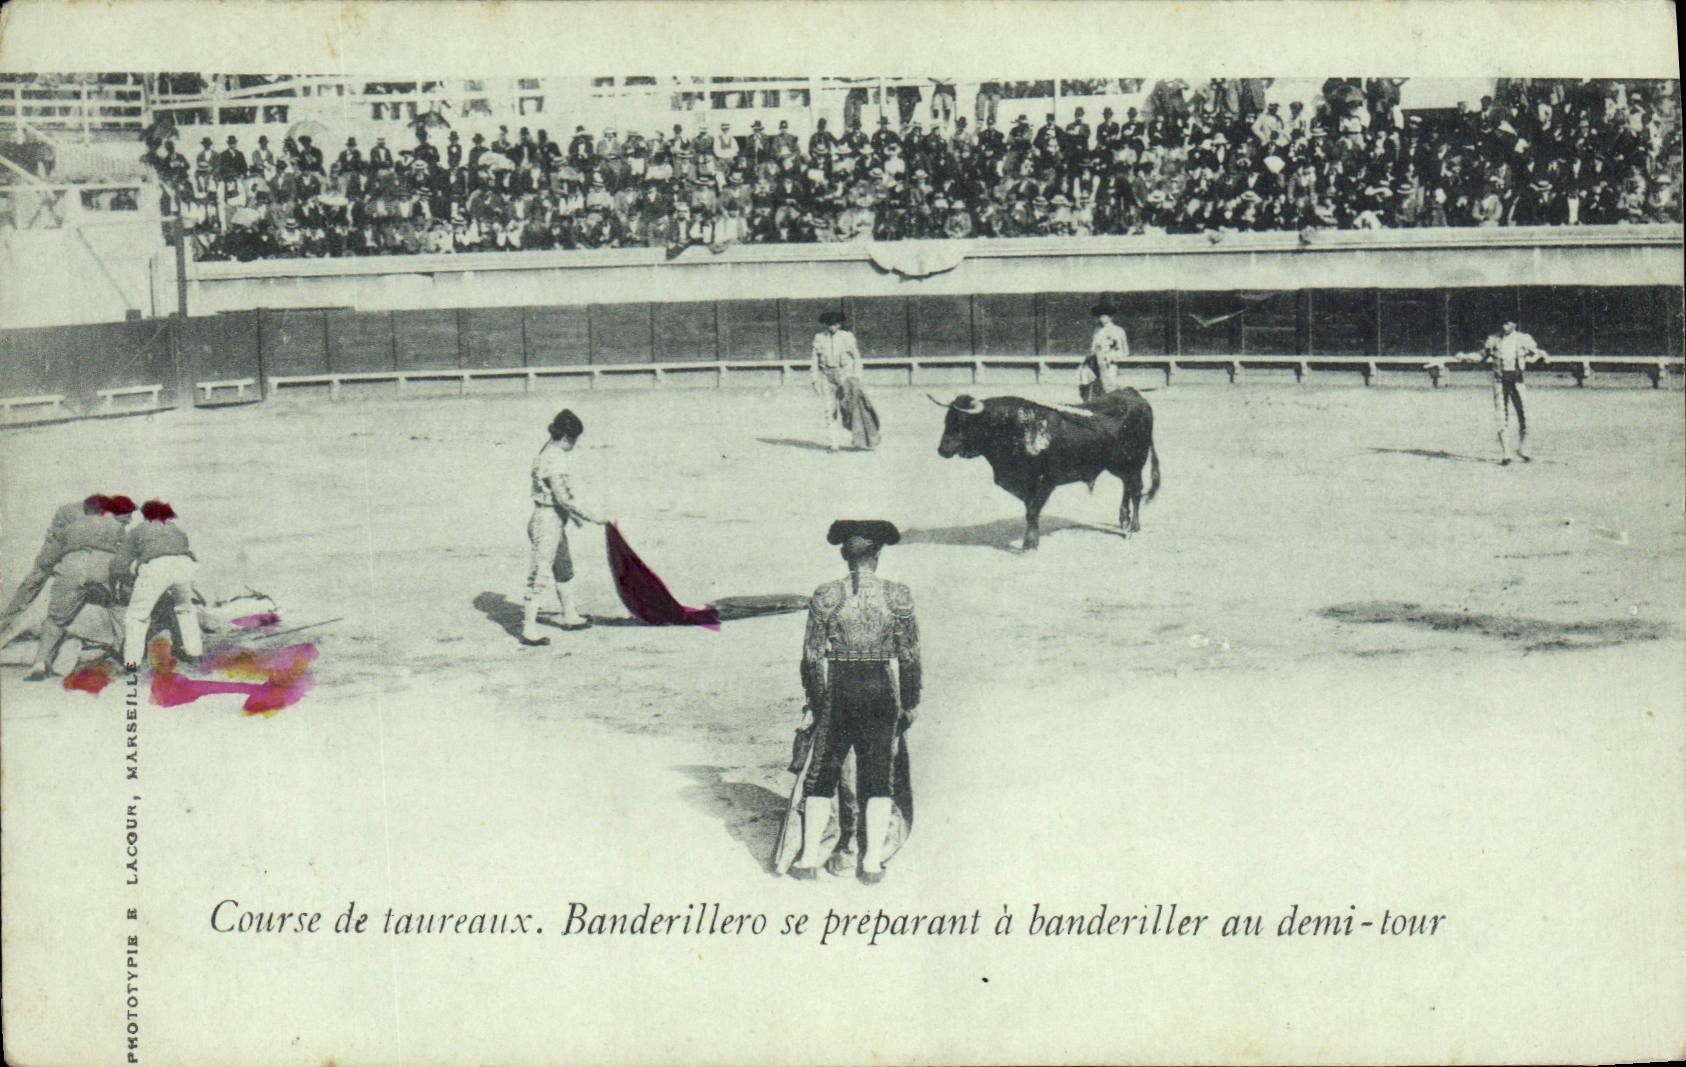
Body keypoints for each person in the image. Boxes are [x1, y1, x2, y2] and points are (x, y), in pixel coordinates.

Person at [790, 520, 920, 884]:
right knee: (878, 775)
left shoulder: (827, 595)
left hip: (839, 686)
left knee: (823, 773)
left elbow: (811, 658)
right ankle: (872, 863)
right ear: (877, 555)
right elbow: (909, 657)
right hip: (880, 687)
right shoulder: (897, 595)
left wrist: (819, 703)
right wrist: (909, 702)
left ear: (845, 555)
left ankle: (808, 860)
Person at [521, 409, 610, 645]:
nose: (574, 444)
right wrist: (591, 516)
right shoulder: (555, 457)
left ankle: (569, 615)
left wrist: (574, 517)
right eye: (574, 439)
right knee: (539, 574)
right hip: (547, 522)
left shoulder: (546, 449)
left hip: (551, 519)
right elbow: (563, 498)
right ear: (566, 437)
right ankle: (528, 630)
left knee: (563, 567)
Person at [27, 494, 134, 680]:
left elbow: (46, 560)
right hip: (103, 565)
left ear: (84, 510)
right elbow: (125, 556)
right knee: (118, 608)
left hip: (72, 565)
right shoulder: (116, 526)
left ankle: (40, 663)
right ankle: (128, 659)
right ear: (105, 511)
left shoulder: (69, 528)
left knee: (56, 619)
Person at [112, 499, 202, 670]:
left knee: (137, 616)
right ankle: (195, 654)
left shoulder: (138, 530)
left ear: (145, 515)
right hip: (184, 566)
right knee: (186, 610)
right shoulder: (176, 529)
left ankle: (132, 663)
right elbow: (186, 550)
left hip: (157, 567)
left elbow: (120, 565)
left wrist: (127, 579)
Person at [0, 495, 97, 647]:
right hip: (62, 548)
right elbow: (50, 552)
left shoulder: (97, 516)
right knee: (36, 579)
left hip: (72, 553)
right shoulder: (71, 514)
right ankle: (7, 622)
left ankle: (10, 623)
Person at [810, 311, 880, 451]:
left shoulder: (847, 337)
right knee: (829, 410)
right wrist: (814, 379)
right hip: (826, 376)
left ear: (839, 324)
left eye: (835, 324)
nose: (832, 327)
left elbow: (856, 357)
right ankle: (834, 443)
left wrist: (857, 377)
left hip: (845, 376)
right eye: (830, 324)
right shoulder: (819, 338)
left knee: (851, 410)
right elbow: (814, 360)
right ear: (825, 324)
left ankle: (860, 440)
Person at [1483, 319, 1548, 464]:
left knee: (1525, 415)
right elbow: (1481, 355)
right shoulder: (1493, 339)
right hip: (1500, 382)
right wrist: (1464, 357)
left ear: (1514, 324)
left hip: (1517, 382)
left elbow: (1537, 353)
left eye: (1507, 323)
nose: (1504, 326)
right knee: (1501, 417)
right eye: (1502, 323)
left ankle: (1523, 449)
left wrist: (1538, 357)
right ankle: (1506, 454)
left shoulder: (1523, 338)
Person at [1080, 303, 1128, 401]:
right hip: (1095, 362)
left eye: (1103, 316)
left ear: (1110, 317)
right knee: (1092, 385)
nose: (1100, 319)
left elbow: (1123, 350)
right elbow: (1093, 348)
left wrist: (1110, 357)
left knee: (1110, 387)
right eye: (1099, 316)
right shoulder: (1097, 331)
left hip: (1109, 363)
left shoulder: (1117, 330)